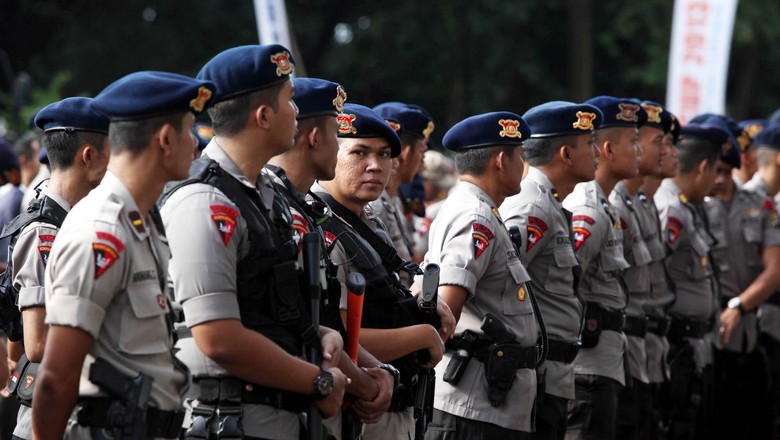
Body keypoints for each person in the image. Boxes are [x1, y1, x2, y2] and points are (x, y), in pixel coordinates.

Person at [159, 45, 348, 440]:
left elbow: (275, 308)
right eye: (290, 101)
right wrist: (319, 381)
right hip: (228, 421)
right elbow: (218, 338)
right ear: (263, 117)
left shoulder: (266, 194)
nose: (297, 111)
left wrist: (318, 334)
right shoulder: (205, 201)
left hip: (274, 418)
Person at [31, 70, 215, 439]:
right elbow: (55, 379)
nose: (196, 145)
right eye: (188, 130)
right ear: (165, 139)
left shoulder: (142, 221)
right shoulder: (102, 231)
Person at [264, 77, 396, 437]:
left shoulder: (302, 208)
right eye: (344, 142)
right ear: (315, 138)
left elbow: (322, 323)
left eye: (384, 155)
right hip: (291, 403)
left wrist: (376, 371)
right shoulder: (273, 207)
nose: (374, 166)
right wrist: (366, 383)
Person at [313, 103, 451, 440]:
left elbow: (382, 303)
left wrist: (418, 299)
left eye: (385, 154)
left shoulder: (366, 221)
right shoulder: (320, 226)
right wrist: (421, 335)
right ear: (331, 152)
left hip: (394, 406)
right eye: (359, 152)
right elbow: (340, 335)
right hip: (360, 413)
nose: (375, 166)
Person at [420, 111, 539, 439]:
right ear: (501, 160)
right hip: (473, 405)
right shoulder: (476, 216)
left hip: (485, 402)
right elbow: (444, 312)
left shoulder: (479, 209)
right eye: (520, 156)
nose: (524, 166)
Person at [0, 97, 111, 440]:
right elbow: (37, 343)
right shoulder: (46, 231)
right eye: (111, 153)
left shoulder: (73, 220)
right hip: (50, 423)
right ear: (88, 156)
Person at [497, 101, 601, 440]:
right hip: (537, 372)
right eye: (590, 144)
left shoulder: (549, 201)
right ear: (566, 155)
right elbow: (499, 283)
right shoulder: (533, 206)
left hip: (552, 371)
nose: (598, 151)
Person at [562, 97, 638, 440]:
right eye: (633, 142)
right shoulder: (587, 211)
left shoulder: (604, 206)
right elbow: (563, 285)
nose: (638, 149)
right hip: (585, 369)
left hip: (601, 364)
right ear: (608, 150)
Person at [703, 120, 780, 439]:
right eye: (714, 171)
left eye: (726, 171)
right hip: (707, 339)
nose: (719, 180)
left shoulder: (759, 206)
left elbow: (774, 269)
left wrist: (738, 306)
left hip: (749, 331)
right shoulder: (697, 210)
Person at [653, 122, 724, 440]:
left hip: (690, 349)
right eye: (714, 172)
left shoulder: (687, 208)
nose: (714, 182)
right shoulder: (671, 209)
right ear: (704, 167)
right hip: (676, 347)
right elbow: (651, 278)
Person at [604, 98, 666, 440]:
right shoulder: (607, 206)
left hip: (638, 350)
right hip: (611, 353)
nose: (643, 150)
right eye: (639, 141)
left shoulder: (635, 204)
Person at [639, 109, 680, 439]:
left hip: (650, 350)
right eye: (660, 142)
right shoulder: (599, 208)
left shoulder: (646, 205)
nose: (669, 151)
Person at [370, 102, 433, 287]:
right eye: (422, 151)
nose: (424, 161)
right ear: (405, 153)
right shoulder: (374, 205)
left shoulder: (393, 200)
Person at [413, 151, 457, 262]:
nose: (439, 190)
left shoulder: (435, 209)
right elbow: (417, 257)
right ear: (424, 180)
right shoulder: (427, 209)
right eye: (435, 185)